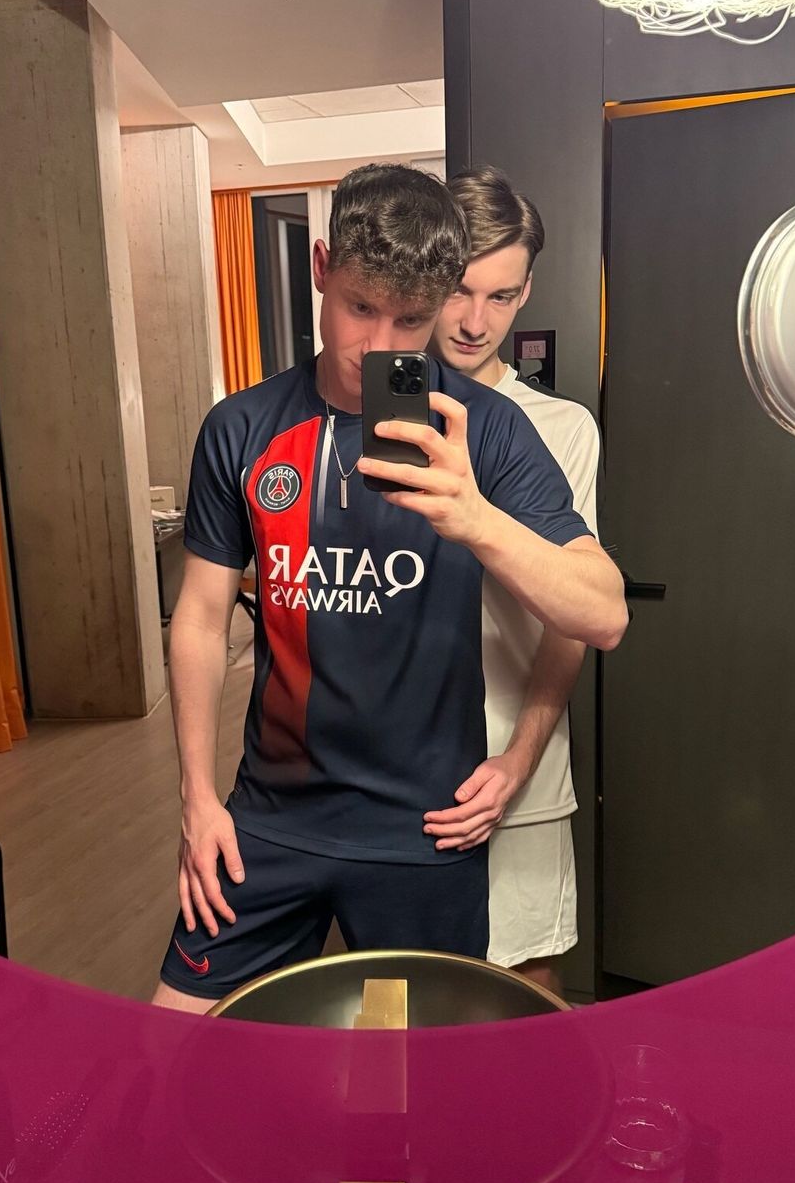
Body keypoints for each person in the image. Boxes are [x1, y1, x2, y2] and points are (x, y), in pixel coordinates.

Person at [153, 163, 626, 1012]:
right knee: (177, 1043)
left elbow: (604, 614)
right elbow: (199, 617)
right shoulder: (242, 427)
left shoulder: (485, 430)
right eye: (360, 307)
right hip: (269, 817)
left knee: (416, 1074)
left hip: (423, 828)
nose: (379, 345)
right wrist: (195, 796)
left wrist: (476, 519)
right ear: (321, 268)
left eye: (409, 320)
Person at [430, 167, 600, 992]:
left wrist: (520, 759)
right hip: (391, 770)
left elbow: (576, 618)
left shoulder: (563, 430)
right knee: (404, 998)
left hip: (516, 757)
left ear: (527, 290)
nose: (475, 322)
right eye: (458, 291)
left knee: (527, 990)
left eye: (500, 296)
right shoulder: (364, 415)